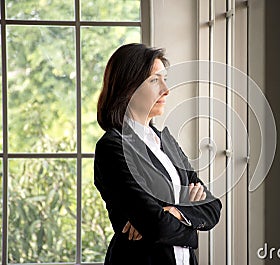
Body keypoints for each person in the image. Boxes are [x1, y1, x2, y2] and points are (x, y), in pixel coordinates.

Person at [94, 43, 222, 265]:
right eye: (155, 80)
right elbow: (156, 224)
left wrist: (175, 212)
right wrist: (189, 226)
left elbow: (212, 207)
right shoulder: (112, 147)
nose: (166, 89)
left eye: (164, 79)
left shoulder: (165, 141)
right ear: (129, 87)